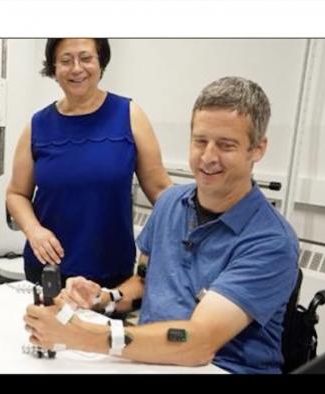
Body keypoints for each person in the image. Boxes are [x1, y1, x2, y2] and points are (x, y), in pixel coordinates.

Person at [23, 76, 299, 374]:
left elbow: (198, 342)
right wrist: (103, 298)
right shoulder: (170, 204)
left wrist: (80, 336)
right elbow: (142, 282)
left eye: (226, 145)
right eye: (200, 141)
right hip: (151, 360)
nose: (208, 157)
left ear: (258, 149)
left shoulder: (270, 241)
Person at [6, 38, 171, 288]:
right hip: (49, 270)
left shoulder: (129, 114)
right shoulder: (37, 125)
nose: (76, 68)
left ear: (100, 62)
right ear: (53, 68)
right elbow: (17, 194)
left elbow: (160, 190)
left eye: (85, 58)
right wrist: (34, 231)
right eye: (65, 60)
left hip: (112, 274)